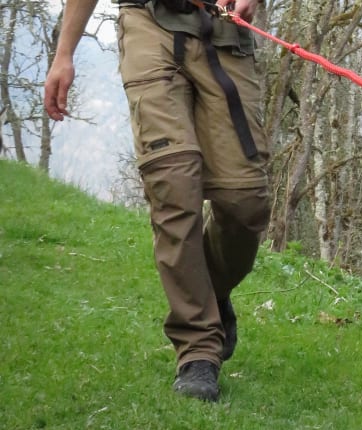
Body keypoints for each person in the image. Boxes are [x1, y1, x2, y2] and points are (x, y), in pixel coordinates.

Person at [44, 0, 271, 403]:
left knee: (245, 202)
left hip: (222, 30)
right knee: (174, 185)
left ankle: (210, 293)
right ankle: (198, 349)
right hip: (149, 23)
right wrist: (64, 54)